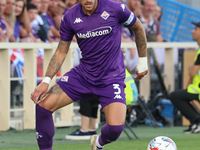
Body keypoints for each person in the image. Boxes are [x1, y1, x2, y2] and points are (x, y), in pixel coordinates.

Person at [31, 0, 148, 150]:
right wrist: (46, 81)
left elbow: (138, 28)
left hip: (111, 78)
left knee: (115, 129)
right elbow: (61, 51)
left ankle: (98, 143)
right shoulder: (70, 16)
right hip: (83, 76)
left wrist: (142, 62)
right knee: (42, 107)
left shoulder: (116, 8)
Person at [168, 21, 200, 134]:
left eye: (196, 29)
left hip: (198, 90)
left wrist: (191, 69)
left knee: (174, 96)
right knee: (178, 95)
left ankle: (197, 122)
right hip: (196, 89)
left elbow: (192, 72)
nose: (192, 31)